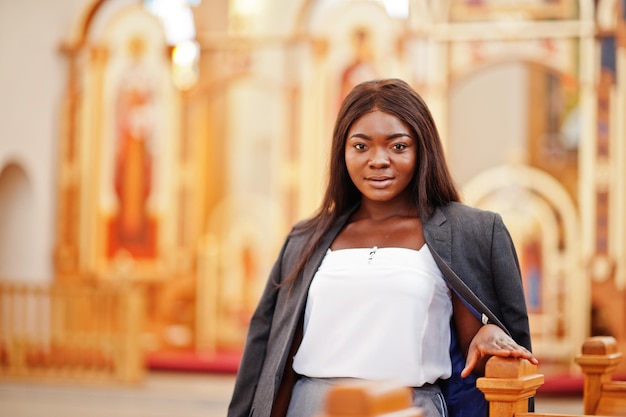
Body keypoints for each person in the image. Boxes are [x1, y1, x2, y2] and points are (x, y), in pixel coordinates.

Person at [227, 78, 537, 417]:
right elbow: (275, 354)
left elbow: (478, 350)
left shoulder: (470, 232)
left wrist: (491, 332)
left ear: (422, 150)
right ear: (342, 152)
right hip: (311, 406)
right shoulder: (307, 237)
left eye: (398, 146)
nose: (378, 160)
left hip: (408, 407)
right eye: (361, 147)